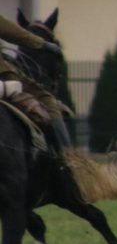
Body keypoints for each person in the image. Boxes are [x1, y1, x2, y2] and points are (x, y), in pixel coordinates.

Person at [0, 13, 74, 172]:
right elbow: (11, 31)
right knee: (48, 101)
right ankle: (70, 167)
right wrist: (43, 44)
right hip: (3, 76)